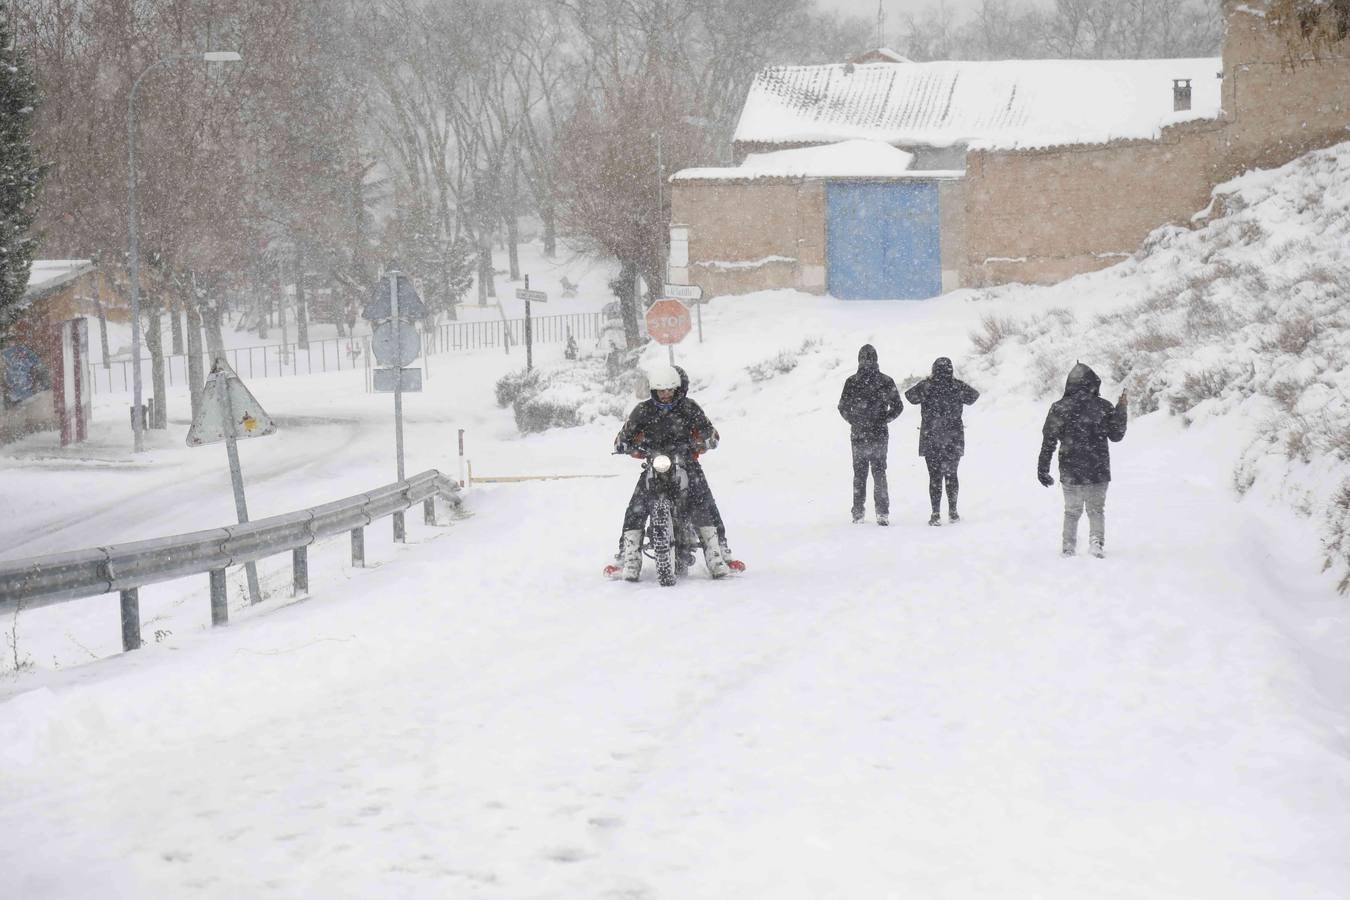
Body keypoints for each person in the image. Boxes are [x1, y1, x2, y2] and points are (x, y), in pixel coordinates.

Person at [605, 364, 731, 581]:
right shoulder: (643, 411)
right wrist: (623, 445)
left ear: (677, 389)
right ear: (653, 391)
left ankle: (718, 551)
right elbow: (623, 437)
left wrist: (704, 441)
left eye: (669, 390)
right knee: (637, 504)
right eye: (661, 391)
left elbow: (711, 433)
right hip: (656, 463)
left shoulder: (689, 408)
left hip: (686, 462)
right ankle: (628, 555)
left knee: (704, 500)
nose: (665, 395)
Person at [1037, 362, 1128, 558]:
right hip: (1098, 468)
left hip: (1071, 469)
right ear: (1094, 383)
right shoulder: (1103, 406)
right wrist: (1121, 409)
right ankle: (1096, 543)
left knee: (1071, 512)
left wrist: (1042, 469)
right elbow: (1117, 435)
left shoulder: (1059, 408)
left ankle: (1068, 547)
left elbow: (1048, 441)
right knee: (1096, 510)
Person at [904, 357, 979, 526]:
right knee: (952, 475)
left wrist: (928, 383)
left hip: (931, 438)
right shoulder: (957, 386)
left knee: (935, 477)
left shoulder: (926, 387)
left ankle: (935, 513)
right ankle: (953, 512)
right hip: (953, 438)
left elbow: (910, 396)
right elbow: (974, 396)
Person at [837, 344, 903, 525]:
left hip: (858, 434)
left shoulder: (852, 381)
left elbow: (842, 407)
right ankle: (882, 512)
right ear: (876, 359)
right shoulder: (885, 381)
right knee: (879, 472)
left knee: (859, 473)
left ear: (859, 359)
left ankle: (858, 512)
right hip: (879, 434)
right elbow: (898, 407)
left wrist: (854, 420)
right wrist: (885, 419)